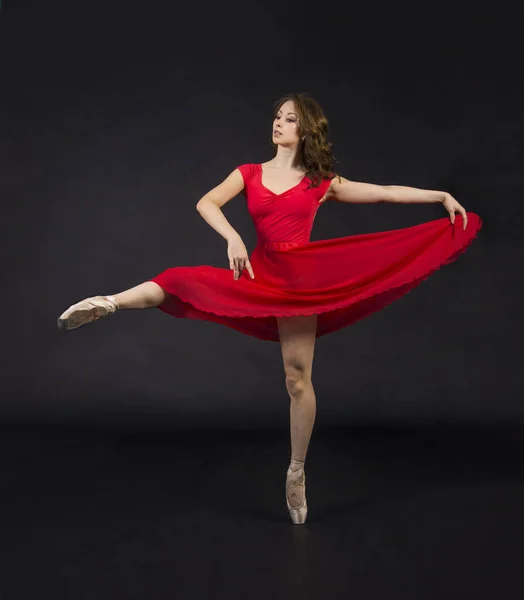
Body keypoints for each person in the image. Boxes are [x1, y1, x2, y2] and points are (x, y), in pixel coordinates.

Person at [57, 92, 482, 525]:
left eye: (289, 118)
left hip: (300, 287)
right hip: (258, 276)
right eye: (277, 116)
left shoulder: (321, 183)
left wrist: (438, 195)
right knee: (178, 280)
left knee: (297, 380)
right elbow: (206, 202)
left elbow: (385, 194)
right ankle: (107, 303)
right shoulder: (249, 173)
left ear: (305, 130)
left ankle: (296, 471)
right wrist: (232, 236)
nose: (278, 123)